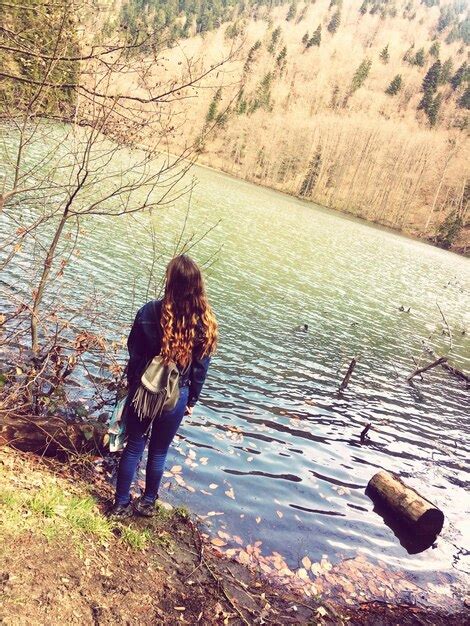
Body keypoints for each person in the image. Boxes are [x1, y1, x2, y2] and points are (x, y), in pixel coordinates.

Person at [109, 255, 218, 518]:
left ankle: (121, 504)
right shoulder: (205, 323)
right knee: (159, 450)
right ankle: (147, 503)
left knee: (134, 445)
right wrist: (191, 401)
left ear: (170, 281)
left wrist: (134, 385)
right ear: (197, 285)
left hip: (143, 392)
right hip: (176, 395)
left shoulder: (149, 311)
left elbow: (134, 353)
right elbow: (200, 370)